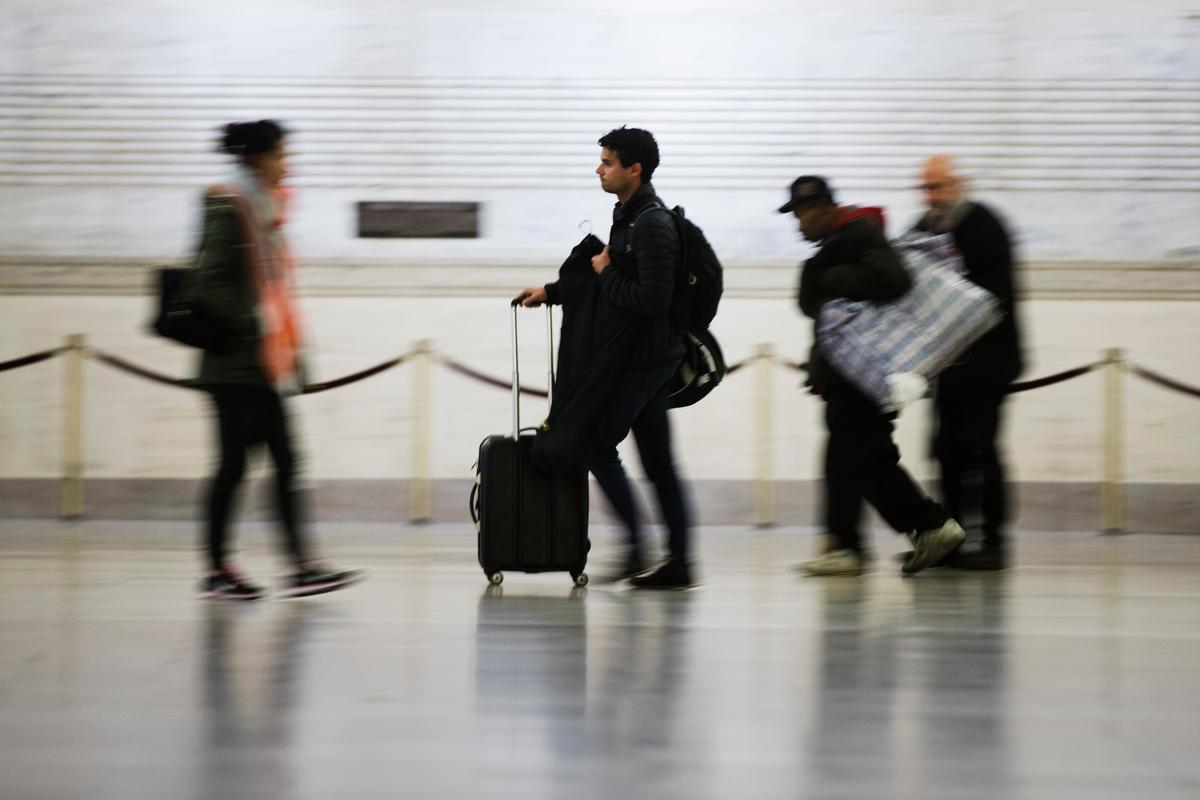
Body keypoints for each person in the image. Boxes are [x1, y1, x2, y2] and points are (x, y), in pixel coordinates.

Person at [518, 126, 696, 589]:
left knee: (597, 445)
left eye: (608, 162)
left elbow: (651, 298)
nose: (599, 168)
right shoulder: (628, 215)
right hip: (643, 358)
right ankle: (677, 561)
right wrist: (553, 292)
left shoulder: (652, 223)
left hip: (645, 362)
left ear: (633, 169)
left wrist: (605, 269)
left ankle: (641, 549)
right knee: (659, 463)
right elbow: (611, 286)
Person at [194, 120, 362, 599]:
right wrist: (259, 323)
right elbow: (208, 283)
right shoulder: (226, 204)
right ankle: (219, 569)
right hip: (232, 363)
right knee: (234, 465)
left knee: (285, 461)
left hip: (263, 364)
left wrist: (286, 351)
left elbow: (277, 292)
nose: (287, 162)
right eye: (281, 154)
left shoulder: (265, 211)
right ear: (257, 158)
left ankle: (301, 566)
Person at [782, 175, 964, 576]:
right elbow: (808, 302)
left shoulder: (859, 232)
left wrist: (826, 279)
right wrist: (820, 278)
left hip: (861, 372)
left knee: (867, 459)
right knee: (847, 459)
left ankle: (929, 525)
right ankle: (846, 544)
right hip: (845, 372)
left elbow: (893, 279)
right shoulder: (835, 245)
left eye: (803, 214)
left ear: (825, 208)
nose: (799, 225)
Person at [912, 156, 1023, 570]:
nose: (931, 196)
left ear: (958, 184)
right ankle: (953, 539)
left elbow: (989, 297)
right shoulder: (924, 227)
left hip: (989, 361)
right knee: (945, 450)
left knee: (981, 449)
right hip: (950, 364)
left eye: (937, 187)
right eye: (925, 188)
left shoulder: (984, 225)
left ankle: (993, 541)